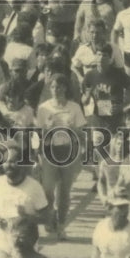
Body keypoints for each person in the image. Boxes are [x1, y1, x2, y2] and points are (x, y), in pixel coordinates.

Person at [35, 74, 87, 237]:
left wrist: (74, 129)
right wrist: (46, 128)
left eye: (58, 87)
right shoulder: (44, 108)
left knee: (64, 191)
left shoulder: (74, 107)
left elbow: (83, 134)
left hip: (69, 152)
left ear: (65, 88)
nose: (55, 90)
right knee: (48, 190)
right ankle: (50, 219)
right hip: (49, 152)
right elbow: (37, 135)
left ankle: (62, 223)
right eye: (52, 87)